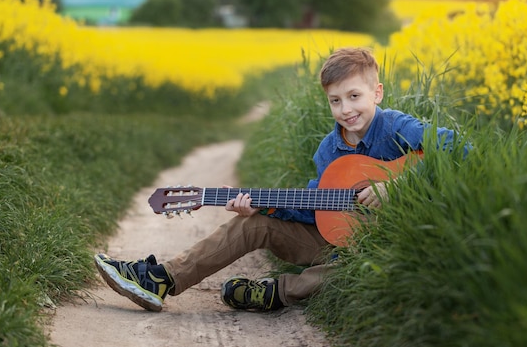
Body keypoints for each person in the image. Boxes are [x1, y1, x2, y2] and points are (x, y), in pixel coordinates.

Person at [94, 47, 464, 312]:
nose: (346, 109)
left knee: (354, 268)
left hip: (393, 243)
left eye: (354, 96)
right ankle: (161, 278)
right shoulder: (328, 151)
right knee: (256, 223)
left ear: (376, 92)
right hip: (339, 241)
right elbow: (319, 210)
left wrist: (397, 185)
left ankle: (277, 292)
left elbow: (459, 148)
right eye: (335, 101)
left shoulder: (397, 127)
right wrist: (262, 203)